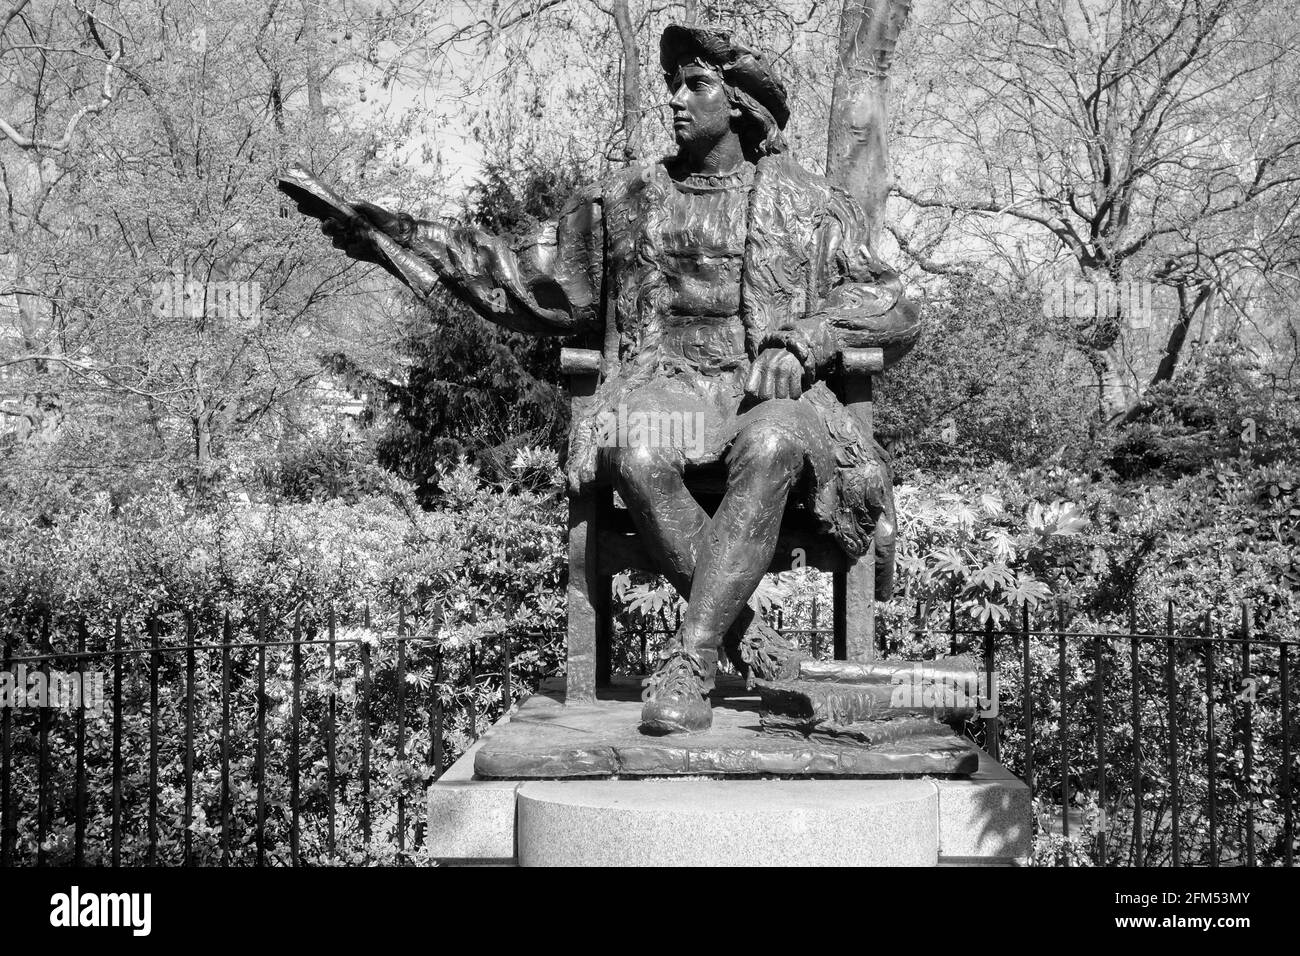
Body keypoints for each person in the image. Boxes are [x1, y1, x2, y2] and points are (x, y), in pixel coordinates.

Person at [319, 22, 920, 734]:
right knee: (632, 446)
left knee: (775, 446)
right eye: (673, 84)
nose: (676, 99)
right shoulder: (626, 201)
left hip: (766, 397)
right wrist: (395, 236)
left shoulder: (810, 204)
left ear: (741, 105)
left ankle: (691, 658)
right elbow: (524, 278)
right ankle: (736, 631)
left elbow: (894, 304)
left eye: (696, 85)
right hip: (666, 384)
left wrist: (805, 339)